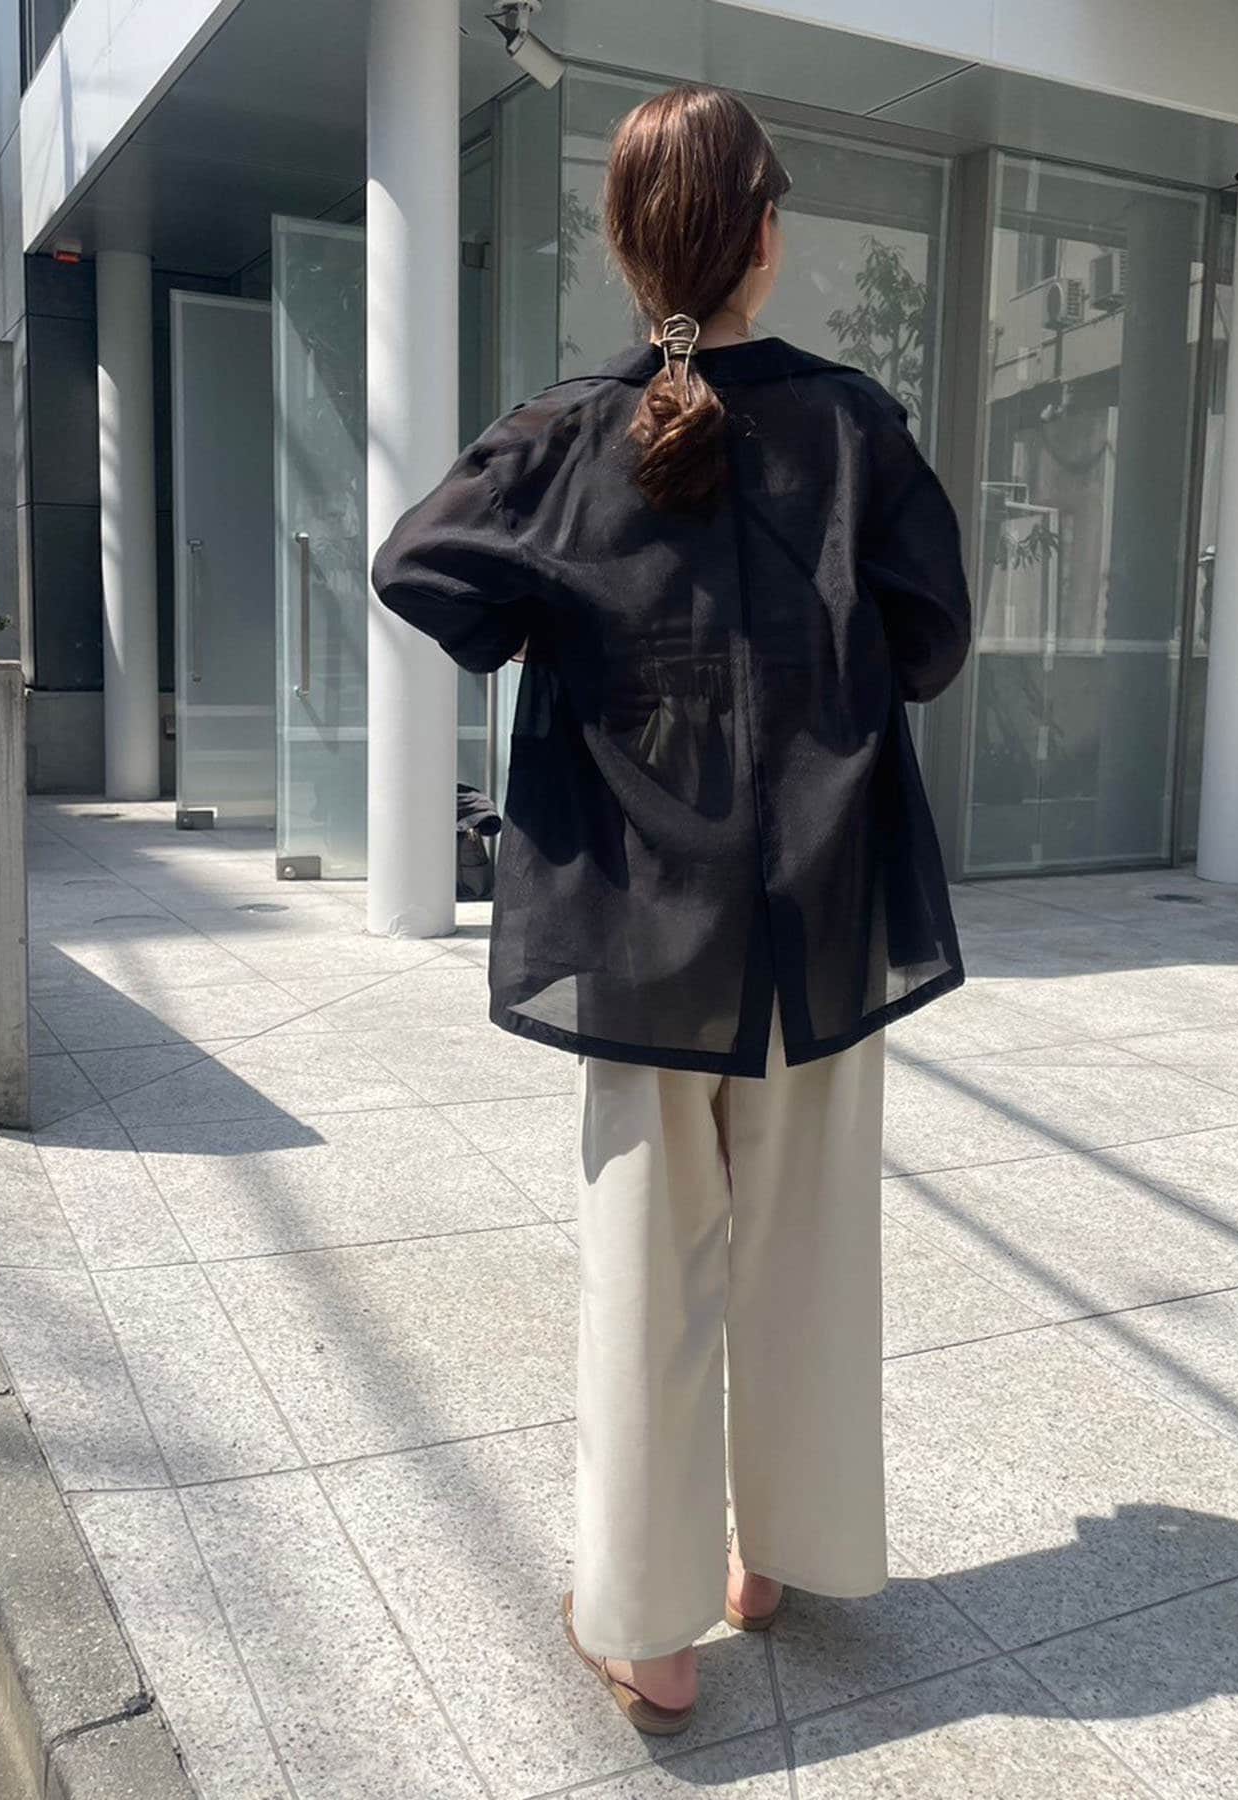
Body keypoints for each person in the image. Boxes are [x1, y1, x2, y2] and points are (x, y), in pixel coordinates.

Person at [371, 83, 971, 1735]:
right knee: (808, 1255)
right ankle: (781, 1556)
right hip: (822, 916)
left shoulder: (569, 430)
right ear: (766, 237)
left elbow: (421, 566)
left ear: (630, 247)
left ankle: (649, 1632)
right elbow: (933, 640)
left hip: (639, 932)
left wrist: (562, 621)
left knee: (646, 1276)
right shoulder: (852, 424)